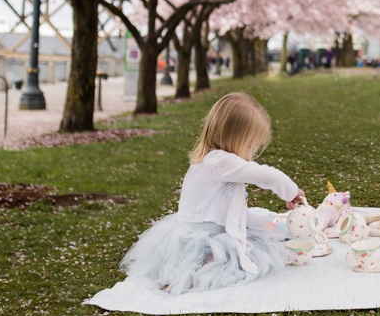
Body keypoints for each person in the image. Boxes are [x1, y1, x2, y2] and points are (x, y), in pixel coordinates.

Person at [118, 92, 303, 295]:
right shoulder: (221, 162)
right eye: (250, 144)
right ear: (234, 138)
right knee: (240, 254)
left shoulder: (210, 158)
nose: (252, 151)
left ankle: (188, 270)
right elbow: (265, 175)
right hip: (207, 235)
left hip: (191, 228)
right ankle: (191, 272)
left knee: (260, 225)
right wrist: (291, 191)